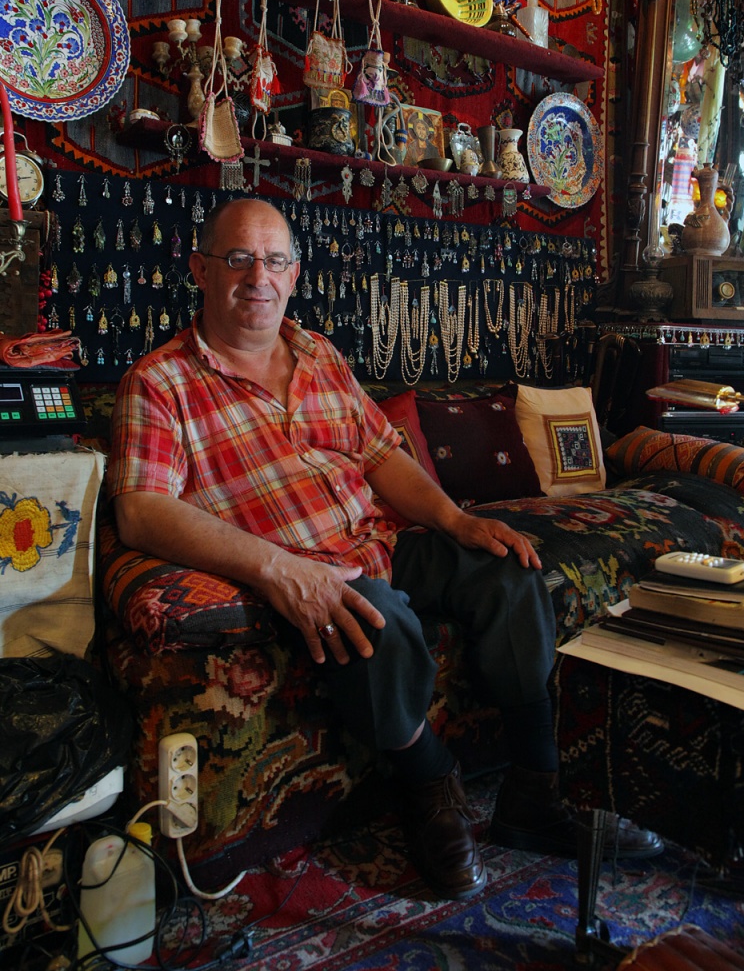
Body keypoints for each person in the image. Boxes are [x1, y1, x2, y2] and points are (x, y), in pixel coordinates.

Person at [107, 198, 661, 900]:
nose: (259, 277)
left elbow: (382, 456)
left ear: (295, 273)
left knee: (508, 568)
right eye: (239, 259)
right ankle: (431, 786)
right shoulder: (158, 382)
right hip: (300, 568)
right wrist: (280, 568)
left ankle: (536, 794)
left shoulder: (320, 356)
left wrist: (457, 521)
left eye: (274, 260)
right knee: (374, 622)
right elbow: (140, 512)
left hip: (379, 542)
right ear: (201, 269)